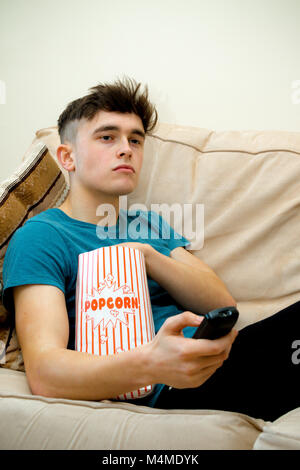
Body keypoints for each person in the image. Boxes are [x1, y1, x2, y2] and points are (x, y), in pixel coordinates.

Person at [3, 78, 299, 421]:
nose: (126, 148)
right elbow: (45, 371)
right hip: (172, 388)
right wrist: (152, 364)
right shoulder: (42, 236)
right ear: (68, 157)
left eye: (135, 139)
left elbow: (220, 303)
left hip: (226, 357)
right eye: (107, 137)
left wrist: (146, 255)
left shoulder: (148, 223)